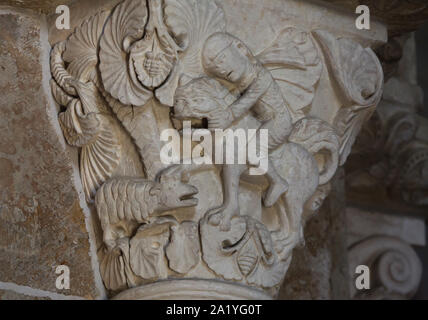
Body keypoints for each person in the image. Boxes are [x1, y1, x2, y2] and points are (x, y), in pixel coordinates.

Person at [202, 32, 294, 207]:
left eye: (221, 59)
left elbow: (246, 101)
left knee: (253, 150)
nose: (221, 70)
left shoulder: (261, 77)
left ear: (240, 48)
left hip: (278, 122)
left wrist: (227, 116)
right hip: (262, 122)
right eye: (216, 70)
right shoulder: (243, 82)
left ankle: (277, 181)